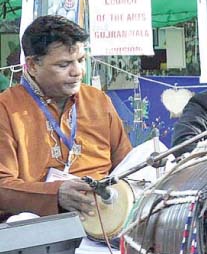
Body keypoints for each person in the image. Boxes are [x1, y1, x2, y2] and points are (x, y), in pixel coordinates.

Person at [0, 15, 131, 220]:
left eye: (81, 61)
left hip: (103, 218)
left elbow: (126, 165)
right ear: (32, 66)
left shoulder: (98, 100)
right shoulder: (6, 109)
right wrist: (55, 194)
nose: (77, 72)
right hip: (40, 224)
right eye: (64, 65)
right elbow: (2, 186)